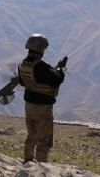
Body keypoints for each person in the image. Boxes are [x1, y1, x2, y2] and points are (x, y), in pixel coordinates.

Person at [18, 33, 65, 163]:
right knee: (44, 141)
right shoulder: (41, 66)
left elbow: (23, 82)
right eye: (43, 48)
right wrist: (60, 70)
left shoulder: (23, 64)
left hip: (29, 106)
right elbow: (56, 80)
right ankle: (41, 167)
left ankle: (27, 160)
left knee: (31, 136)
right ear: (39, 48)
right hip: (42, 108)